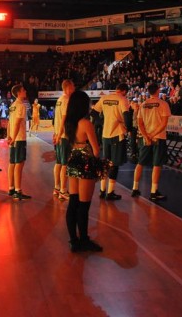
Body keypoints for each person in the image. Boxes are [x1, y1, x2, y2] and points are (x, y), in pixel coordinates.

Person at [65, 90, 103, 252]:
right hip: (86, 163)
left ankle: (74, 241)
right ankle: (84, 240)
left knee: (73, 202)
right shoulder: (86, 123)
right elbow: (96, 149)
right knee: (84, 205)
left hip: (73, 160)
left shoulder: (69, 123)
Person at [92, 83, 131, 200]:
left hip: (105, 134)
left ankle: (102, 190)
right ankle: (110, 192)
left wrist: (103, 122)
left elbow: (93, 113)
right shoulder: (122, 99)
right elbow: (126, 116)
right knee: (114, 164)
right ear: (124, 91)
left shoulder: (104, 98)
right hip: (117, 134)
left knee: (105, 163)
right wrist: (128, 128)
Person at [132, 83, 171, 201]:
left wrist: (146, 136)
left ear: (148, 92)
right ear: (158, 90)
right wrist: (153, 135)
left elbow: (139, 123)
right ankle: (153, 192)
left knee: (140, 162)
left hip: (145, 138)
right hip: (158, 137)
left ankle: (135, 188)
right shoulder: (163, 104)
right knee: (157, 164)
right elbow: (164, 123)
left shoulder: (143, 104)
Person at [7, 84, 31, 200]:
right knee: (19, 164)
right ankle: (18, 190)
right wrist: (14, 137)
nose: (25, 91)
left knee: (12, 163)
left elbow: (9, 123)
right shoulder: (21, 106)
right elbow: (16, 123)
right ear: (18, 93)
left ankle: (11, 188)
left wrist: (9, 136)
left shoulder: (12, 106)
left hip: (13, 138)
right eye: (23, 90)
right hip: (19, 138)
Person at [53, 79, 75, 201]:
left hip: (59, 135)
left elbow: (56, 119)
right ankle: (63, 190)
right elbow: (63, 119)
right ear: (68, 87)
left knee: (58, 162)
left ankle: (57, 188)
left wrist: (56, 134)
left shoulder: (59, 100)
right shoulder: (66, 100)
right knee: (65, 164)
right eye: (73, 86)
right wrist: (60, 134)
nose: (74, 88)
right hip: (64, 136)